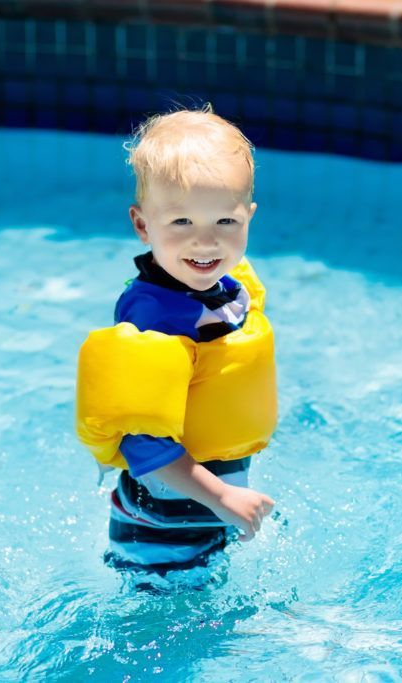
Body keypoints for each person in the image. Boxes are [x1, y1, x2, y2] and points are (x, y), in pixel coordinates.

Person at [75, 106, 277, 571]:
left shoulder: (226, 288)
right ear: (143, 225)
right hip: (160, 528)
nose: (205, 243)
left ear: (249, 217)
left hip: (204, 509)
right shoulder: (152, 319)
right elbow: (142, 442)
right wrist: (223, 495)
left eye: (224, 223)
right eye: (181, 223)